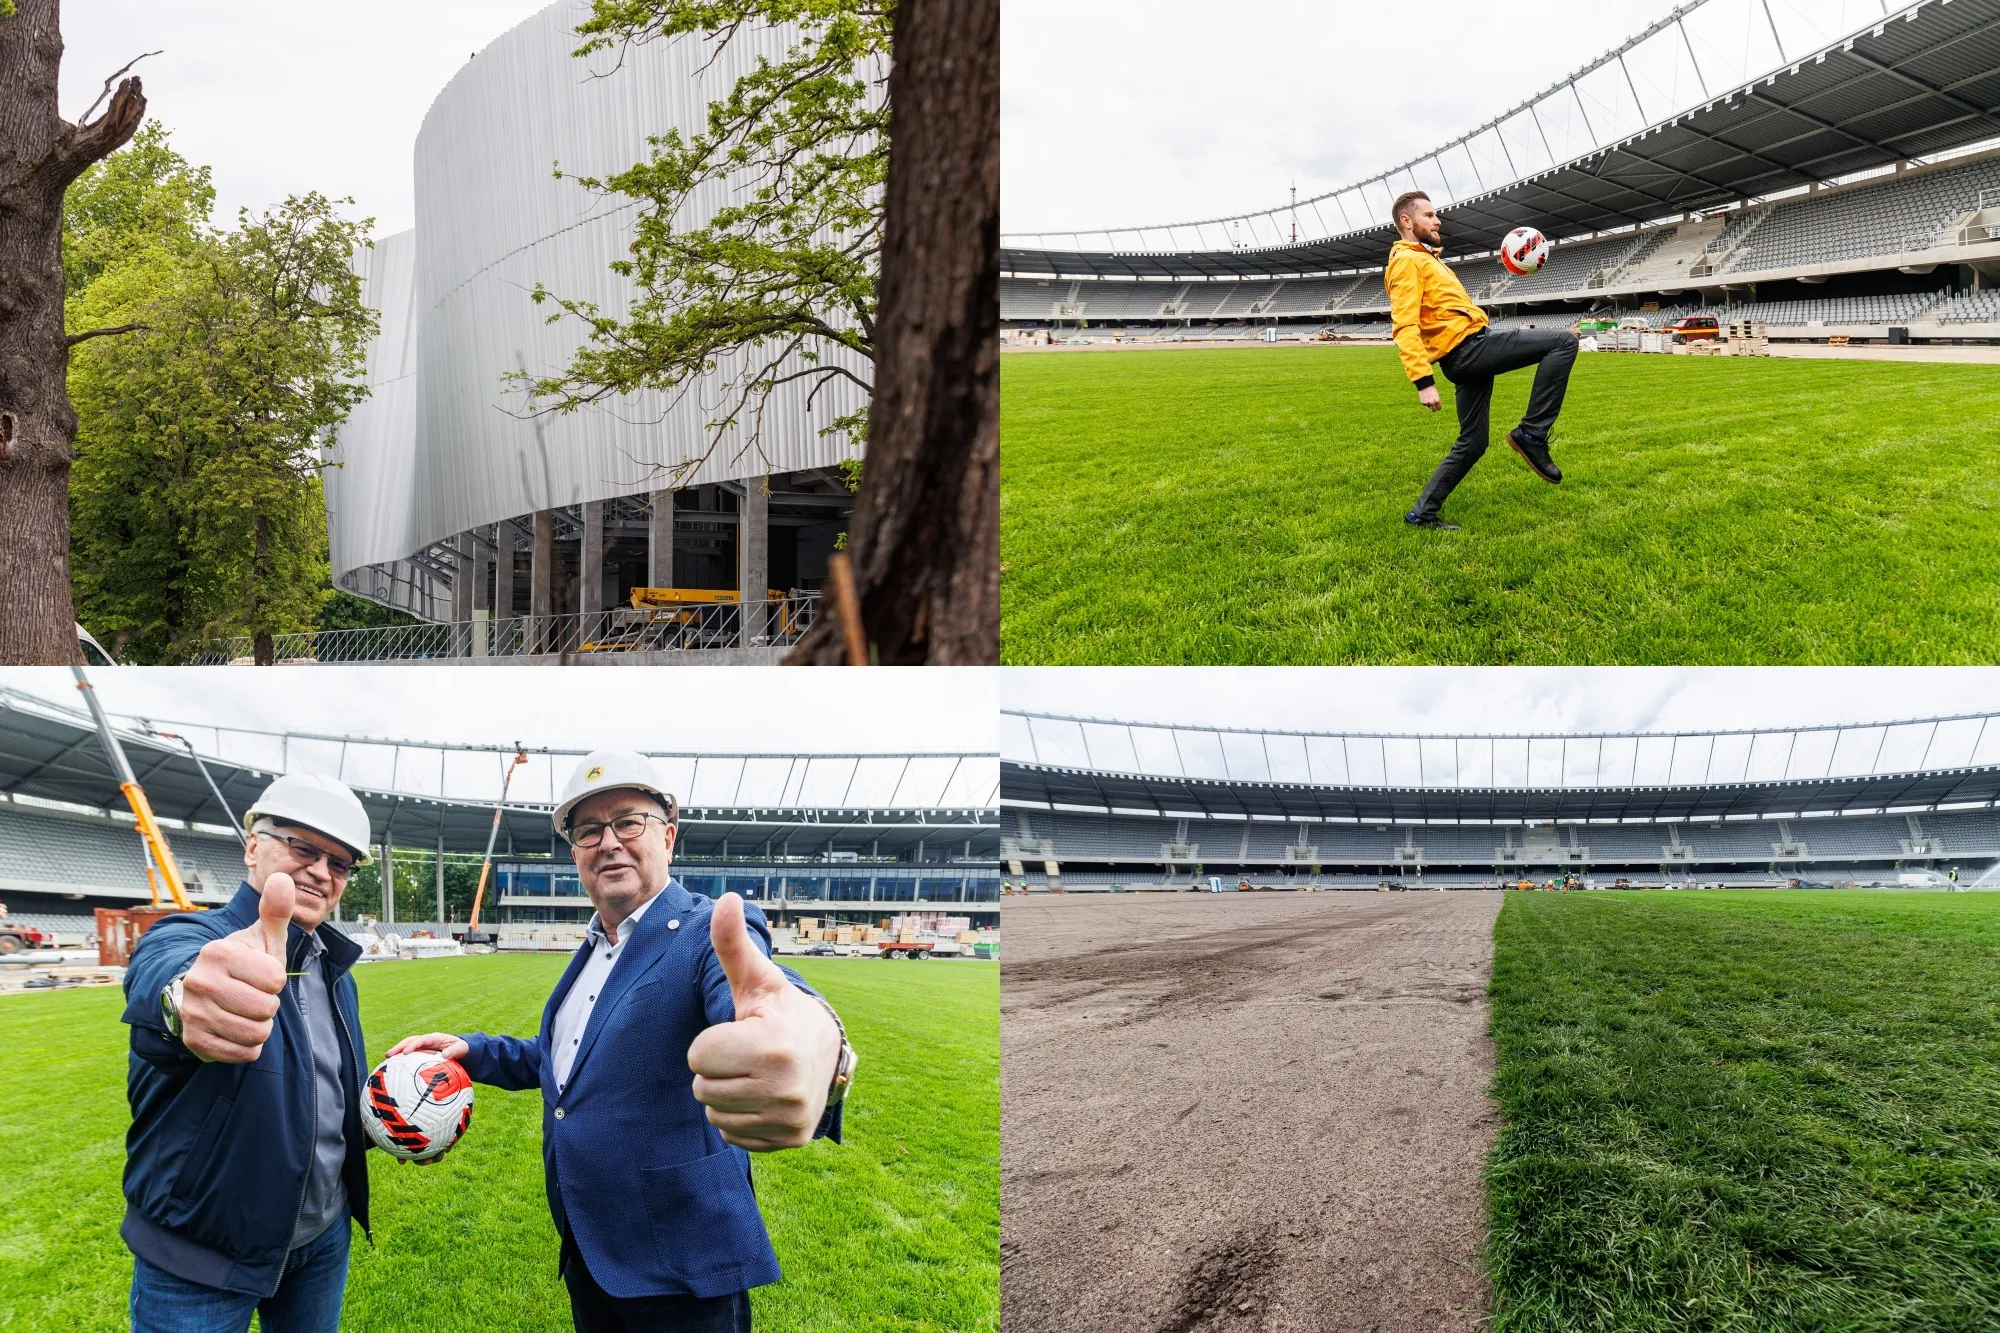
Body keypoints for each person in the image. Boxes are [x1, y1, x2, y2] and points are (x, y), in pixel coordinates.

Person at [388, 750, 856, 1333]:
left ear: (669, 837)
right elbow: (567, 1062)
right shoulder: (591, 950)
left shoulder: (710, 930)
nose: (608, 841)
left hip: (680, 1263)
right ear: (576, 853)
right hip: (590, 1247)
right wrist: (472, 1049)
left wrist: (822, 1052)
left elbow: (772, 1004)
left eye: (629, 822)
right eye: (588, 830)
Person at [119, 774, 377, 1333]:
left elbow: (316, 1089)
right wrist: (183, 1000)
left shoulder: (335, 968)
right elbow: (171, 978)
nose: (320, 870)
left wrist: (382, 1120)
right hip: (200, 1255)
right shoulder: (194, 938)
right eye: (303, 846)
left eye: (339, 863)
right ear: (252, 845)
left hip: (320, 1239)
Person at [1386, 189, 1577, 531]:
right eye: (1429, 215)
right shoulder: (1406, 261)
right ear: (1407, 220)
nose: (1437, 219)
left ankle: (1422, 513)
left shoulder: (1428, 259)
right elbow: (1404, 325)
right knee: (1562, 342)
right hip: (1468, 349)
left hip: (1468, 351)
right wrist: (1422, 381)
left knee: (1474, 442)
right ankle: (1532, 435)